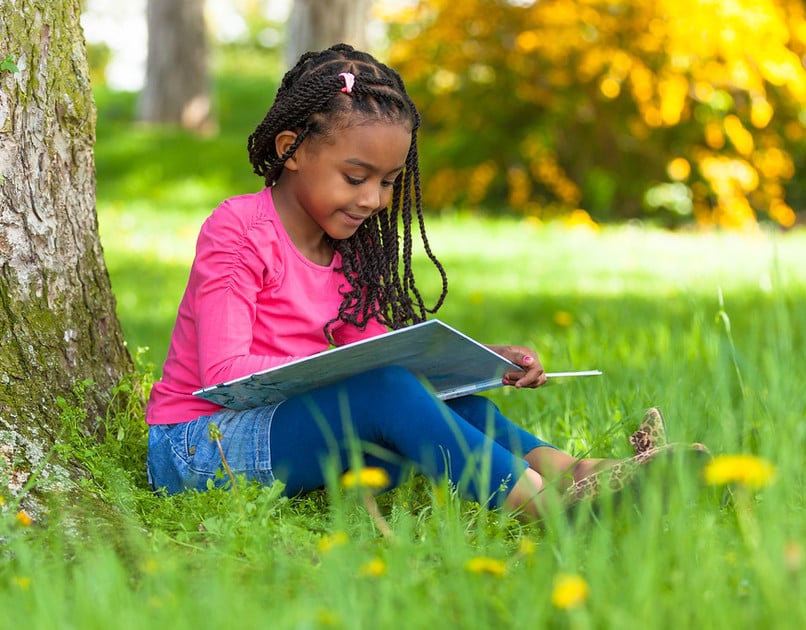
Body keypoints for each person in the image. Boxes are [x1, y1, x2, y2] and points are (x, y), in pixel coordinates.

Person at [145, 44, 698, 522]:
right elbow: (222, 373)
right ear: (292, 148)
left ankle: (577, 471)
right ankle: (552, 510)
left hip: (299, 432)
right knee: (386, 390)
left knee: (449, 403)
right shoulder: (239, 230)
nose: (374, 200)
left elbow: (383, 357)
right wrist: (366, 378)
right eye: (355, 178)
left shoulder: (354, 250)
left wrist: (480, 360)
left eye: (388, 182)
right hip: (200, 443)